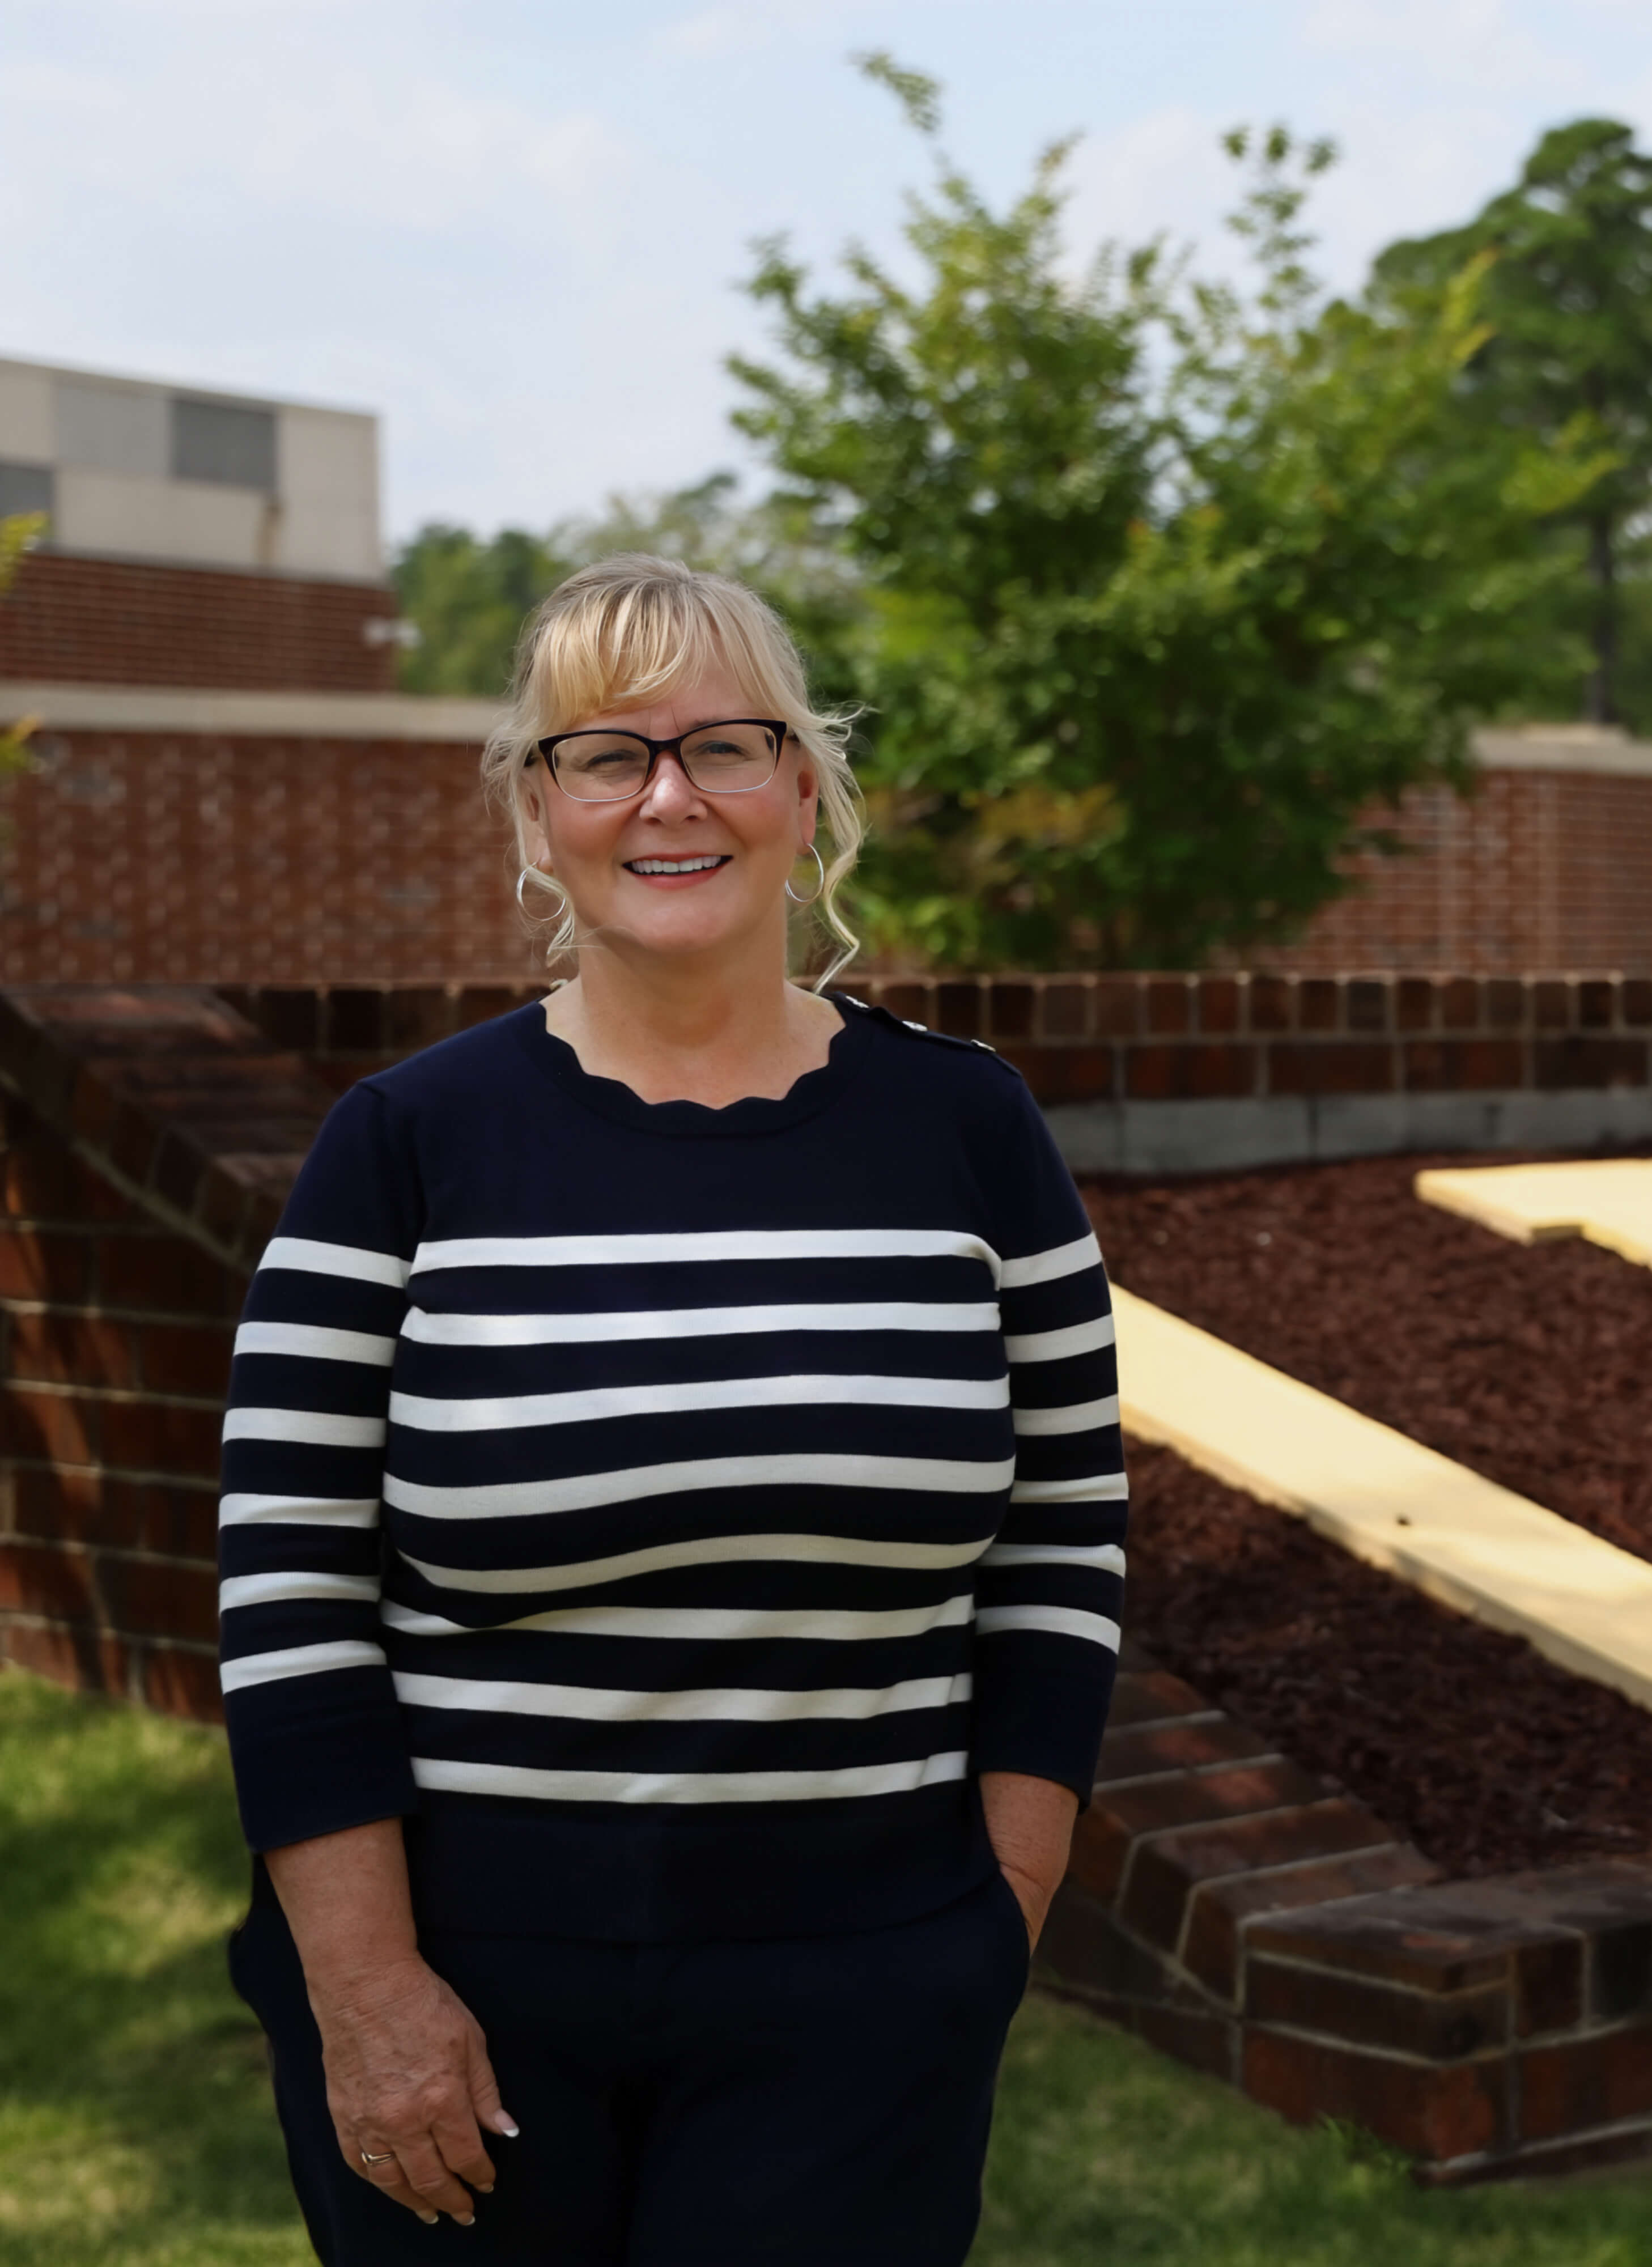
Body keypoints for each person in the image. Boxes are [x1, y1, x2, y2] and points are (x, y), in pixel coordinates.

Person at [214, 554, 1128, 2262]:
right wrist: (365, 1986)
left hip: (868, 1988)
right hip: (462, 1992)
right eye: (603, 754)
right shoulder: (407, 1143)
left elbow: (1065, 1539)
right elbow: (290, 1593)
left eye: (724, 743)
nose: (668, 796)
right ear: (537, 806)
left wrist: (993, 1918)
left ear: (803, 785)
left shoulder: (967, 1133)